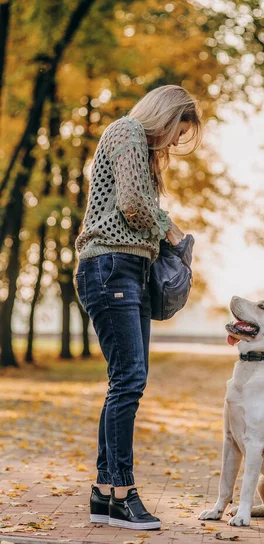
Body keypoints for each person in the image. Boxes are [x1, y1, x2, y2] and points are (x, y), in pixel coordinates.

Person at [74, 85, 202, 530]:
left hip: (128, 270)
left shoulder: (138, 147)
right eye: (175, 132)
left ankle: (104, 495)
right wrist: (170, 229)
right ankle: (123, 492)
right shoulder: (127, 130)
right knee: (128, 380)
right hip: (110, 267)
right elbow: (132, 204)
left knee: (124, 381)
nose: (172, 143)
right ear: (164, 116)